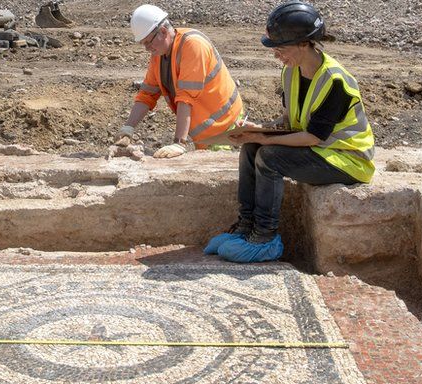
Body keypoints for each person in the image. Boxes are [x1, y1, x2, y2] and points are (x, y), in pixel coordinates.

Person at [205, 1, 376, 263]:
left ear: (304, 44)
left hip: (346, 159)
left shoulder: (335, 81)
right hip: (321, 150)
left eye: (280, 48)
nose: (276, 55)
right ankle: (246, 227)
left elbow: (312, 136)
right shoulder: (291, 71)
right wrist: (260, 130)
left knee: (270, 157)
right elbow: (290, 120)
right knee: (251, 149)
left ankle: (265, 238)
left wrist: (263, 138)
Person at [115, 4, 243, 159]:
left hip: (224, 127)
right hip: (205, 132)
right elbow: (147, 94)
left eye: (148, 42)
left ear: (162, 31)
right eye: (143, 44)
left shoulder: (193, 46)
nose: (147, 49)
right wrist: (128, 128)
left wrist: (179, 143)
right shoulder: (159, 54)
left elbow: (186, 97)